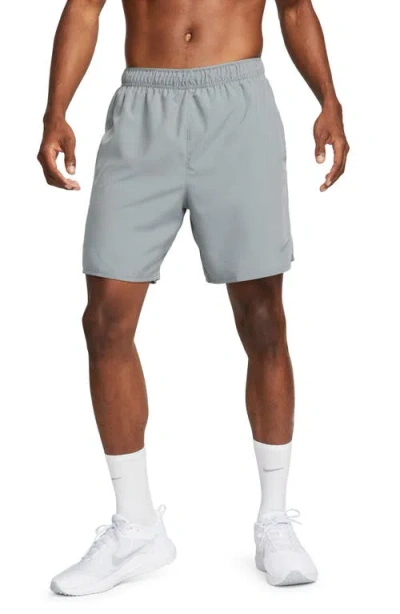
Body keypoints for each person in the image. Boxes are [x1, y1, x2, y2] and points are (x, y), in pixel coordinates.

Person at [38, 0, 349, 596]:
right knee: (104, 321)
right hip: (141, 110)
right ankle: (136, 527)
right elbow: (83, 9)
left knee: (264, 320)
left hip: (238, 106)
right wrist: (56, 110)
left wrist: (328, 100)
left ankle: (275, 521)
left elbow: (294, 9)